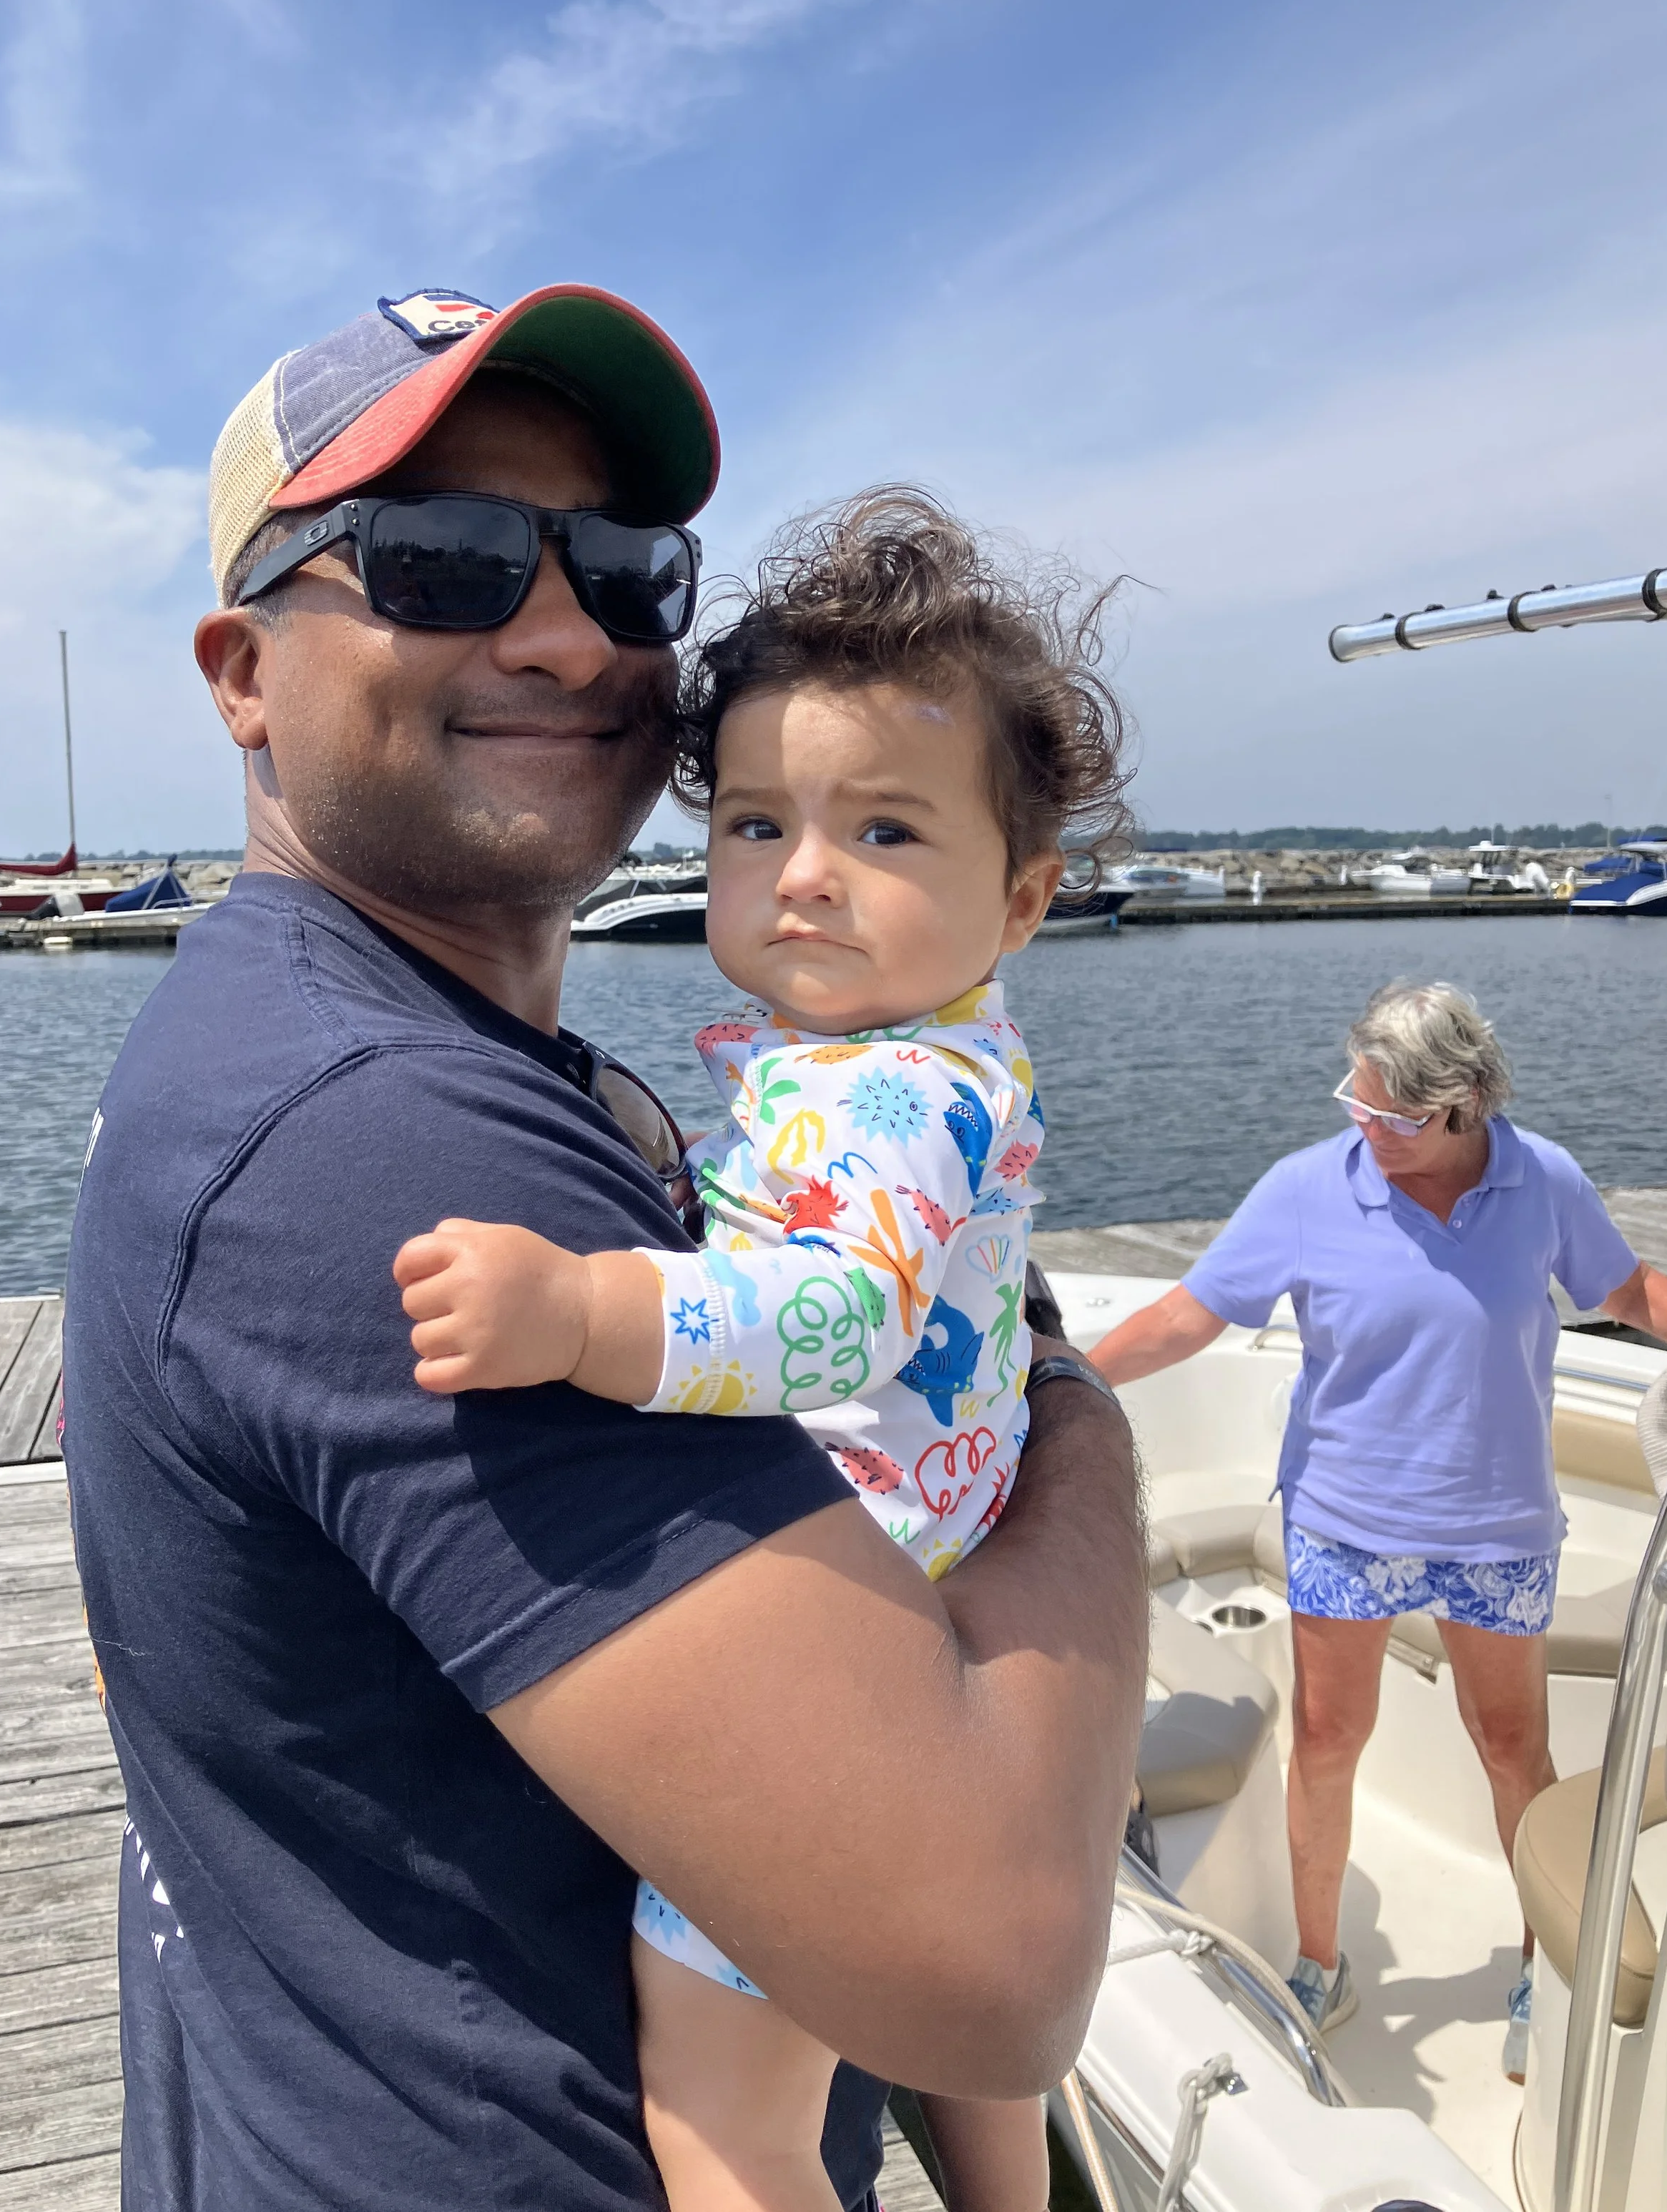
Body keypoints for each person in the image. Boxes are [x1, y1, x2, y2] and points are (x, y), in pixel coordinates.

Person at [62, 285, 1150, 2212]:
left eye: (628, 571)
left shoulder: (407, 1055)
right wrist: (1071, 1412)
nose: (564, 632)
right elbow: (988, 1957)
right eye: (445, 555)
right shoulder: (371, 1136)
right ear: (244, 670)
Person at [393, 488, 1129, 2212]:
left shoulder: (882, 1090)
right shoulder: (941, 1040)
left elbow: (827, 1319)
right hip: (943, 1529)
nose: (801, 874)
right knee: (950, 2062)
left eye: (882, 832)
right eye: (752, 824)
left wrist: (582, 1313)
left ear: (1020, 898)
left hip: (844, 1612)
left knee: (721, 2117)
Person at [1087, 980, 1667, 2082]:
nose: (1365, 1128)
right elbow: (1189, 1314)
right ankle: (1320, 1965)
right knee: (1328, 1746)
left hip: (1498, 1527)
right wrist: (1069, 1377)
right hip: (1344, 1520)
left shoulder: (1542, 1179)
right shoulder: (1306, 1189)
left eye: (1392, 1116)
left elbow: (1626, 1287)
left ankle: (1541, 1965)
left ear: (1464, 1106)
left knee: (1513, 1748)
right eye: (1356, 1101)